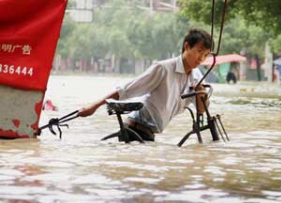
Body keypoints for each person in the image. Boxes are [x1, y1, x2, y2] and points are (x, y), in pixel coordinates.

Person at [78, 28, 212, 142]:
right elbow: (126, 90)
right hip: (134, 131)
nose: (201, 59)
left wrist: (202, 94)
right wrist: (93, 107)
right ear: (187, 47)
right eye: (199, 51)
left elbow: (201, 110)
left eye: (205, 55)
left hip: (149, 135)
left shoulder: (197, 77)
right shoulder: (163, 69)